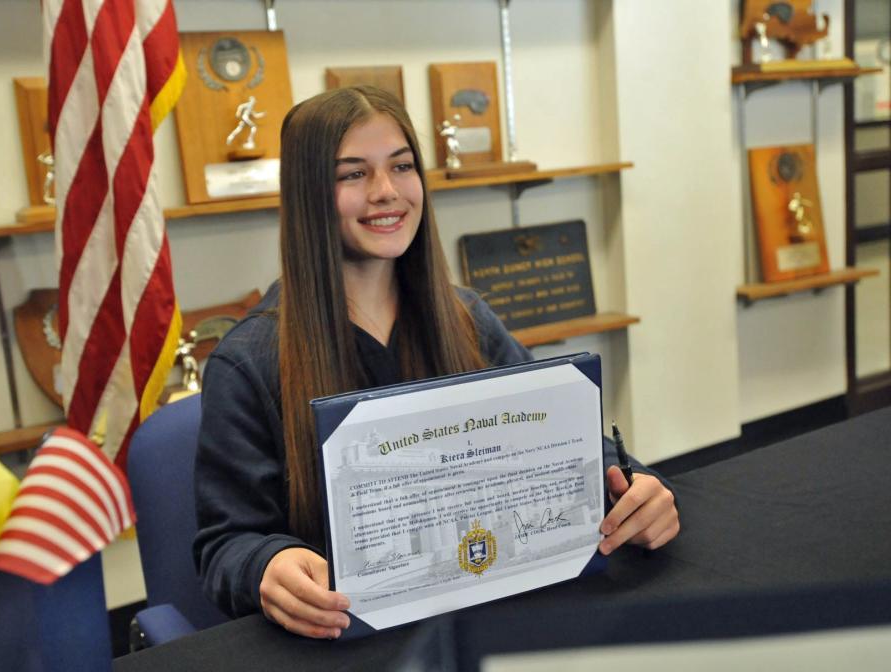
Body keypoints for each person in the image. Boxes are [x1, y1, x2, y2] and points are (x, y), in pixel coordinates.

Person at [193, 86, 679, 641]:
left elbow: (574, 446)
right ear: (308, 194)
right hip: (350, 643)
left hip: (486, 614)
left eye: (401, 166)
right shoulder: (248, 362)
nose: (386, 192)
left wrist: (641, 488)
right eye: (352, 174)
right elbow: (225, 545)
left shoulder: (467, 316)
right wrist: (267, 566)